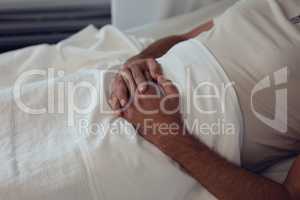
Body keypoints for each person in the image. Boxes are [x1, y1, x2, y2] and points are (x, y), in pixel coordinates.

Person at [109, 0, 300, 199]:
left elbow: (288, 194)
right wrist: (136, 62)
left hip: (159, 147)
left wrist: (168, 135)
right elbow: (184, 37)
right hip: (122, 89)